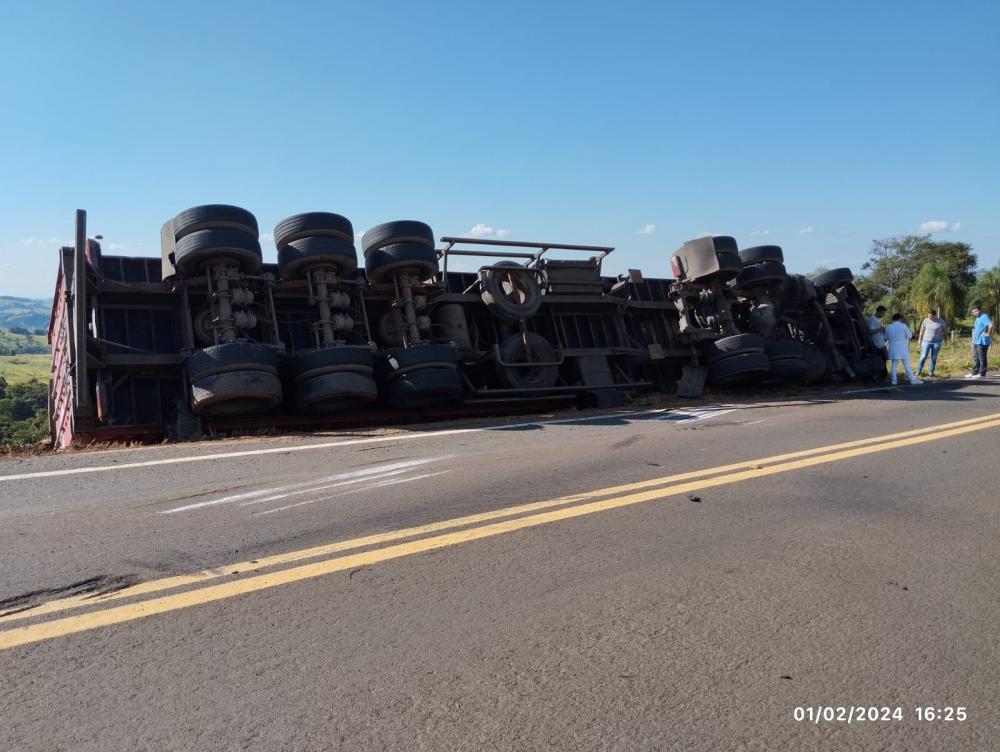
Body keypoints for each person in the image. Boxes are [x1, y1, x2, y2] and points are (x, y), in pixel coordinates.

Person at [885, 313, 922, 385]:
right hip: (903, 348)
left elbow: (886, 338)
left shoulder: (888, 326)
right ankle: (912, 379)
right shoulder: (903, 326)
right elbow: (909, 336)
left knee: (894, 364)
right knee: (906, 364)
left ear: (893, 319)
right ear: (900, 319)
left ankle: (894, 380)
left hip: (893, 348)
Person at [964, 304, 993, 379]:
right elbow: (976, 329)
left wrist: (988, 334)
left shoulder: (984, 316)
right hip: (976, 341)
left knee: (982, 358)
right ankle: (975, 372)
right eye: (973, 312)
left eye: (976, 311)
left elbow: (990, 325)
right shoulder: (977, 318)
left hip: (982, 341)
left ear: (979, 310)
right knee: (976, 357)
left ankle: (982, 374)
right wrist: (973, 340)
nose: (975, 313)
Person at [916, 310, 947, 377]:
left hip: (937, 342)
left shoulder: (941, 321)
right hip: (926, 341)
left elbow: (945, 331)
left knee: (933, 357)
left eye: (931, 316)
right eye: (928, 316)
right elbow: (922, 331)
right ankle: (918, 371)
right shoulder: (925, 321)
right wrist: (919, 340)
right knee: (923, 356)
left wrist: (945, 339)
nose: (929, 317)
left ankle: (931, 372)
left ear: (935, 315)